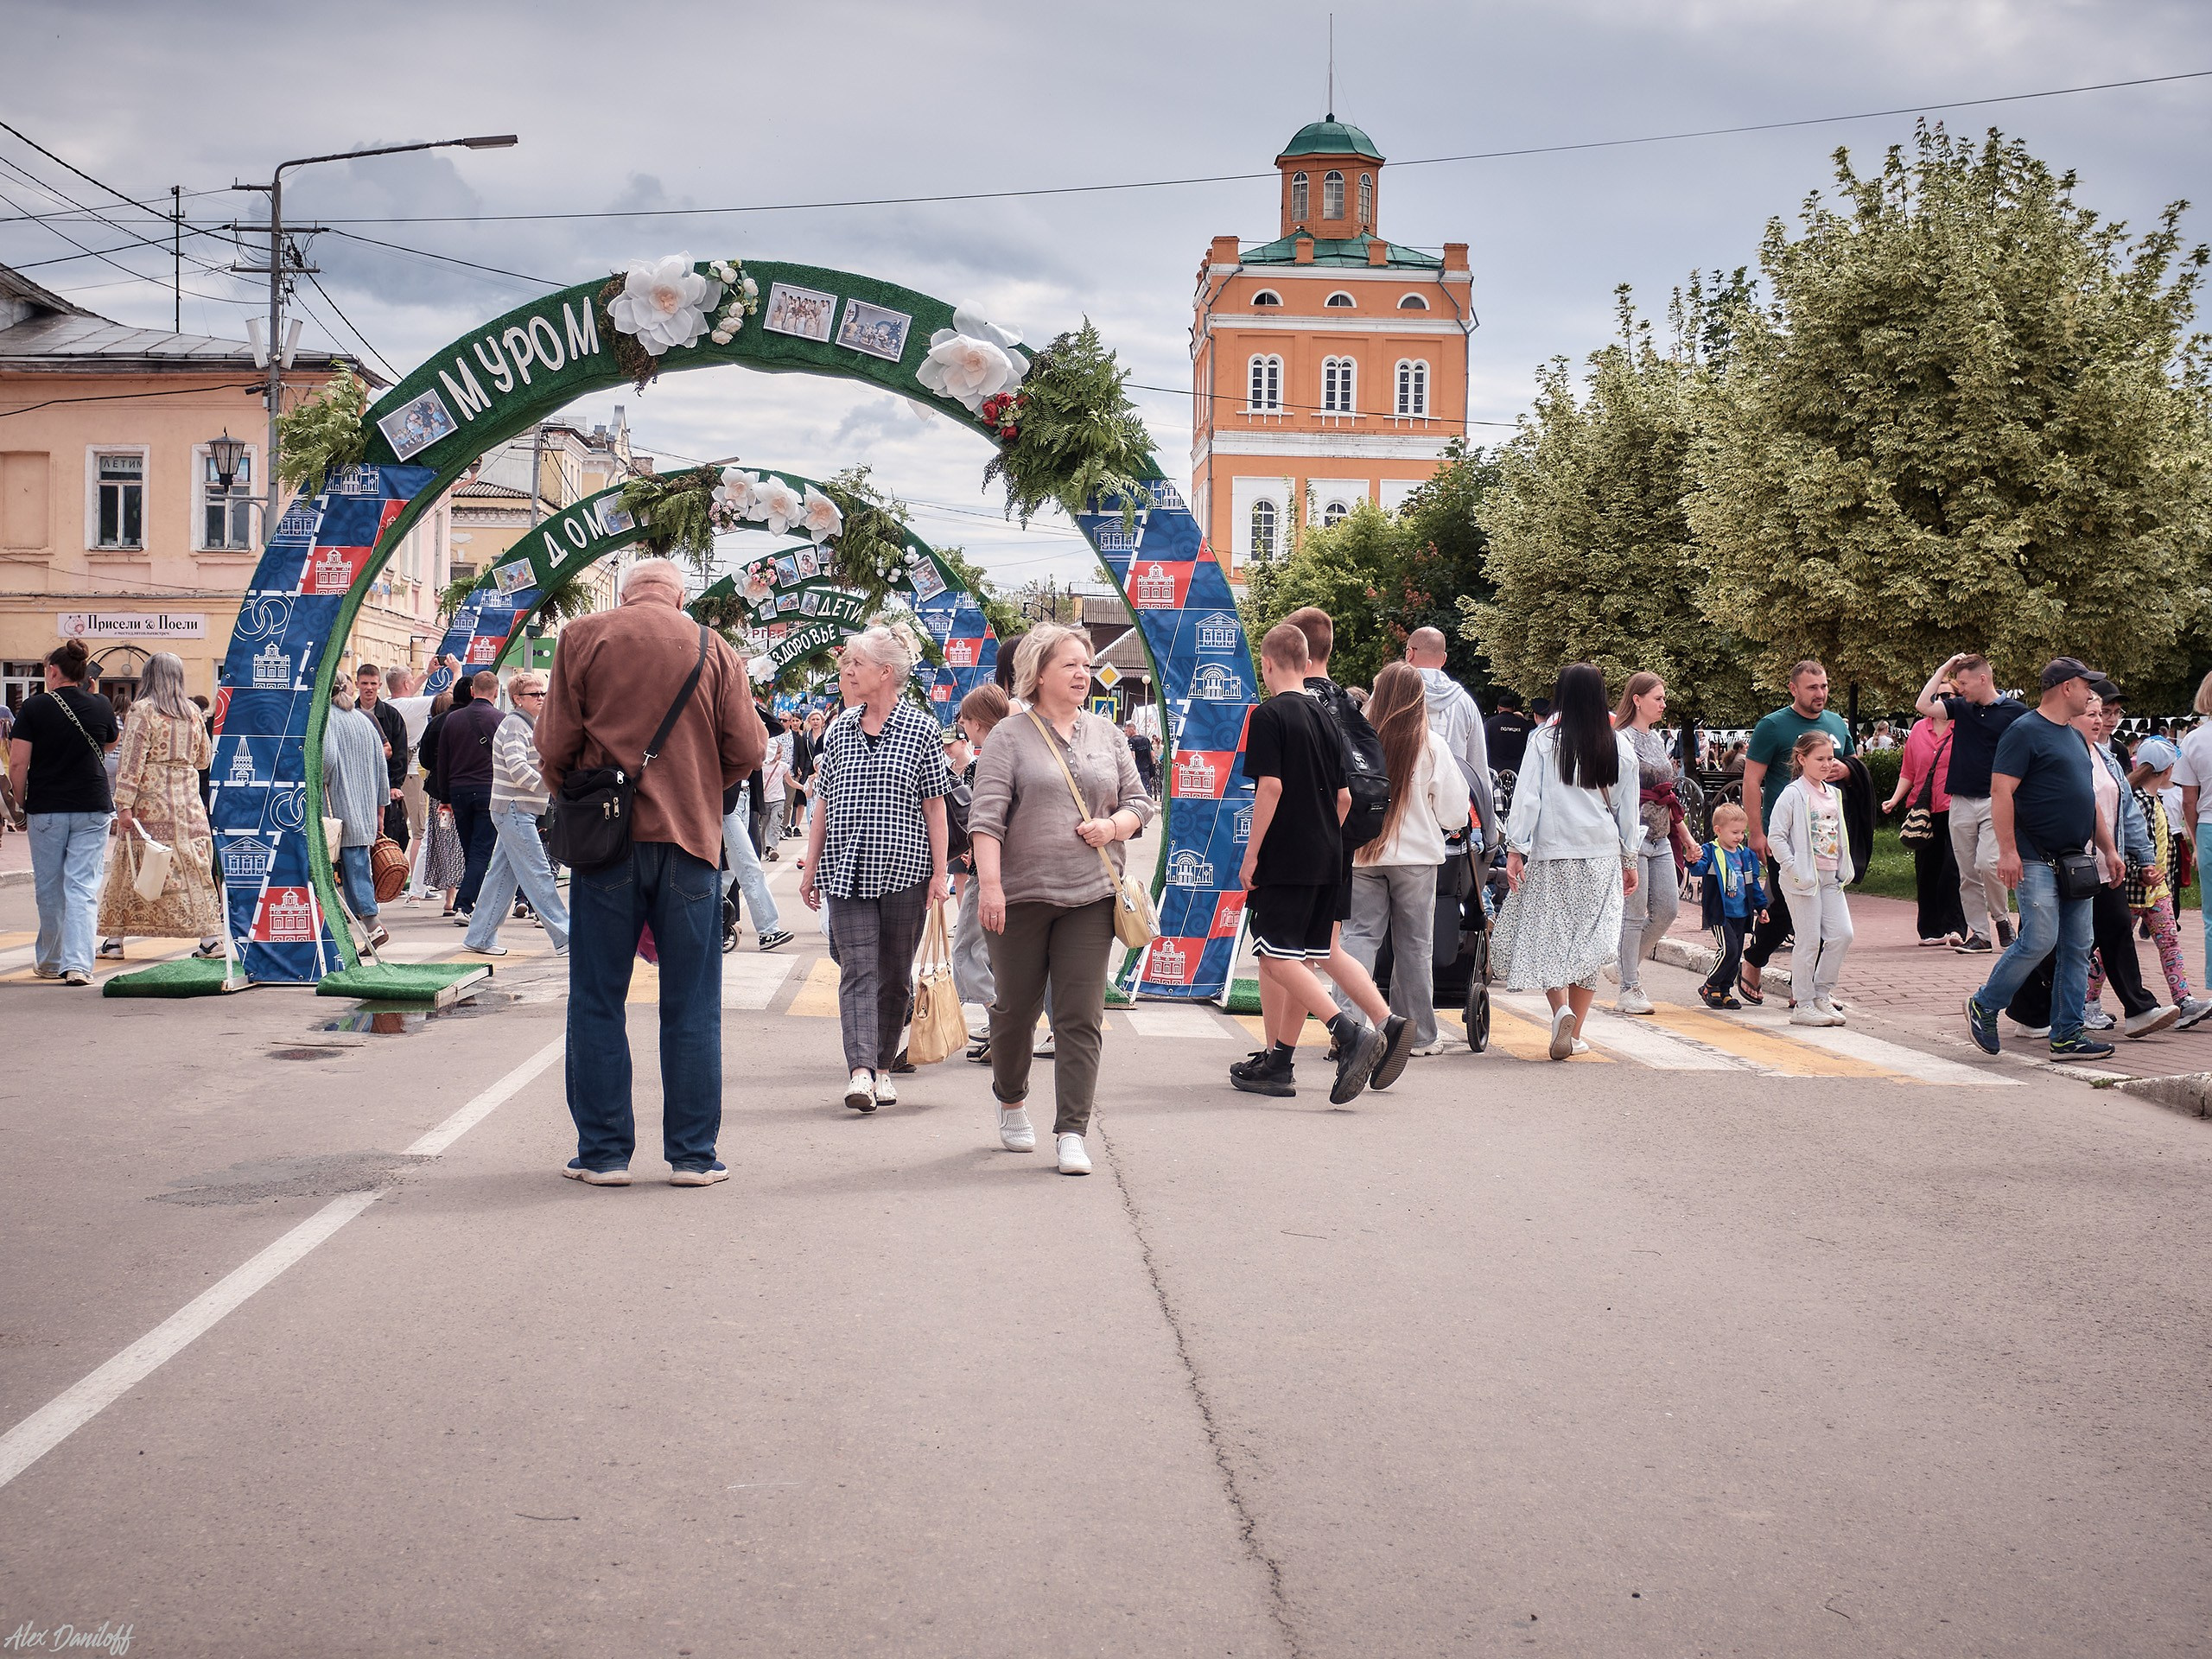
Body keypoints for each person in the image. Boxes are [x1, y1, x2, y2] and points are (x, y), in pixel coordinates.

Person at [537, 556, 765, 1187]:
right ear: (679, 596)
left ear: (626, 592)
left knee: (597, 999)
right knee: (692, 1004)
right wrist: (693, 787)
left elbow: (551, 744)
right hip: (689, 845)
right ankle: (693, 1156)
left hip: (607, 845)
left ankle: (604, 1154)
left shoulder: (584, 636)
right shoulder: (711, 646)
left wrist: (582, 797)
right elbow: (748, 750)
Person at [969, 624, 1154, 1174]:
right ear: (1039, 672)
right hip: (1020, 896)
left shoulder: (1108, 735)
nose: (1083, 673)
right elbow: (986, 819)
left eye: (1087, 663)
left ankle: (1072, 1130)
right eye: (1071, 664)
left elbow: (1140, 803)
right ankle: (1011, 1100)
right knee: (1014, 1013)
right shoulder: (1008, 735)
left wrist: (1114, 826)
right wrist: (993, 886)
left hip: (1091, 896)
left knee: (1080, 1016)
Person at [1228, 624, 1388, 1102]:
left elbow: (1270, 788)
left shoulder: (1270, 715)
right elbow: (1343, 797)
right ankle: (1278, 1064)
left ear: (1269, 664)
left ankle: (1350, 1032)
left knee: (1276, 953)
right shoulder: (1327, 716)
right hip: (1329, 854)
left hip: (1289, 853)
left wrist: (1253, 852)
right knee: (1303, 955)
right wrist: (1327, 840)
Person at [798, 622, 953, 1115]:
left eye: (855, 663)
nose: (846, 670)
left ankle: (884, 1067)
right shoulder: (839, 729)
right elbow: (823, 803)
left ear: (885, 672)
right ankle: (860, 1071)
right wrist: (810, 867)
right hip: (845, 870)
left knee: (893, 974)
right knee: (857, 970)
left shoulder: (923, 728)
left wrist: (938, 874)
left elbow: (935, 806)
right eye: (845, 663)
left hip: (906, 871)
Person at [1961, 659, 2119, 1061]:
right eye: (2087, 686)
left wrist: (2109, 849)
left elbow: (2089, 803)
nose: (2091, 694)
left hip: (2074, 861)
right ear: (2066, 687)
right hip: (2035, 859)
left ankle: (2067, 1035)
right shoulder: (2025, 731)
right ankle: (1985, 1002)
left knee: (2078, 947)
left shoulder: (2074, 737)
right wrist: (2009, 851)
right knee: (2039, 939)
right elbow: (2001, 793)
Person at [1287, 607, 1414, 1083]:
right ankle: (1387, 1019)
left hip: (1301, 842)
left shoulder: (1294, 703)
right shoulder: (1347, 703)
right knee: (1324, 945)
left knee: (1279, 952)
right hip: (1343, 843)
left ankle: (1280, 1055)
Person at [1491, 663, 1641, 1058]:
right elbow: (1628, 809)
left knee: (1550, 936)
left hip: (1553, 852)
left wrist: (1516, 847)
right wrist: (1630, 859)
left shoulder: (1543, 741)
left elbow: (1527, 798)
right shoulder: (1620, 744)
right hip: (1602, 854)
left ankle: (1560, 1013)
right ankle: (1575, 1033)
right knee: (1588, 942)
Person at [1338, 661, 1471, 1058]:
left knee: (1359, 937)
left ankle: (1349, 1027)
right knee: (1414, 946)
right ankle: (1417, 1035)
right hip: (1416, 859)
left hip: (1363, 854)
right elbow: (1455, 813)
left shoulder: (1357, 742)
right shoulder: (1431, 745)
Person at [92, 652, 221, 960]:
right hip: (188, 805)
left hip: (150, 805)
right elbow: (204, 759)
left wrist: (123, 803)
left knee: (133, 869)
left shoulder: (142, 710)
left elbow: (132, 760)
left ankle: (114, 941)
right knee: (194, 870)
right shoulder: (192, 712)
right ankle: (210, 940)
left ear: (148, 676)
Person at [1738, 661, 1853, 1006]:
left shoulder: (1836, 723)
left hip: (1826, 839)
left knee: (1824, 920)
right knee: (1789, 911)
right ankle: (1755, 960)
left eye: (1825, 686)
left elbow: (1851, 765)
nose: (1820, 693)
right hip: (1786, 838)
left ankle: (1807, 992)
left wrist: (1845, 767)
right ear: (1793, 689)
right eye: (1812, 687)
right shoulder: (1772, 726)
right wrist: (1756, 832)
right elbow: (1751, 781)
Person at [10, 640, 117, 984]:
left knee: (50, 887)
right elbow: (109, 742)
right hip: (92, 806)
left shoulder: (34, 708)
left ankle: (52, 960)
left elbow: (17, 762)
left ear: (53, 672)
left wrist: (19, 804)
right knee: (83, 887)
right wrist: (93, 695)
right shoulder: (100, 705)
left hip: (48, 808)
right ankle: (79, 966)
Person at [1916, 652, 2027, 954]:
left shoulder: (2016, 712)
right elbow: (1923, 705)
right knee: (1966, 872)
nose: (1959, 688)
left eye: (1963, 682)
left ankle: (2002, 919)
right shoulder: (1961, 708)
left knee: (1989, 864)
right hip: (1961, 799)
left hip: (1997, 799)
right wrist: (1944, 668)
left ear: (1983, 678)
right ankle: (1980, 934)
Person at [2102, 738, 2212, 1029]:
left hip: (2157, 891)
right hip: (2135, 890)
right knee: (2110, 946)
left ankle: (2184, 1000)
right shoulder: (2138, 802)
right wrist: (2141, 869)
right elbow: (2132, 843)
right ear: (2167, 771)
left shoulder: (2154, 800)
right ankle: (2088, 1001)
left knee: (2170, 943)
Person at [461, 670, 569, 958]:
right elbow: (517, 767)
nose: (542, 698)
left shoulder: (527, 725)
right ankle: (566, 937)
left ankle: (480, 936)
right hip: (513, 808)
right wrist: (551, 787)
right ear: (517, 699)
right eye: (535, 694)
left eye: (543, 693)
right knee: (537, 872)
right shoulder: (514, 726)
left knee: (501, 876)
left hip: (515, 809)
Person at [1766, 732, 1855, 1025]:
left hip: (1831, 877)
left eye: (1830, 758)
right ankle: (1803, 1004)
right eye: (1820, 759)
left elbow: (1839, 833)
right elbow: (1776, 835)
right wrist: (1791, 867)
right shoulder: (1793, 794)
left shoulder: (1834, 793)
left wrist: (1844, 866)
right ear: (1802, 759)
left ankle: (1821, 994)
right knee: (1808, 941)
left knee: (1842, 934)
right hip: (1802, 879)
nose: (1827, 764)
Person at [1610, 671, 1683, 1016]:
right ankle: (1629, 987)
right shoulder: (1620, 739)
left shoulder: (1656, 739)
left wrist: (1685, 835)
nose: (1663, 703)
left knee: (1668, 909)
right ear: (1637, 699)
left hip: (1661, 834)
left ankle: (1624, 965)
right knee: (1634, 915)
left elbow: (1668, 794)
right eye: (1658, 697)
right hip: (1633, 835)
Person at [950, 683, 1011, 1052]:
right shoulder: (1018, 749)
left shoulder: (987, 760)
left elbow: (983, 815)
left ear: (976, 722)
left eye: (965, 719)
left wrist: (973, 846)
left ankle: (1002, 1024)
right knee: (990, 954)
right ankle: (1002, 1026)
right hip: (1011, 869)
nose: (962, 725)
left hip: (986, 872)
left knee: (967, 951)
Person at [1883, 694, 1969, 946]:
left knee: (1953, 870)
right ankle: (1931, 929)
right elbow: (1908, 771)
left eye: (1949, 695)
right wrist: (1895, 799)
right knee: (1926, 870)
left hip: (1956, 805)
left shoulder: (1965, 727)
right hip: (1924, 809)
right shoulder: (1919, 729)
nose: (1943, 699)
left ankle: (1956, 927)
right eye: (1938, 695)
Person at [1405, 625, 1499, 844]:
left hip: (1405, 820)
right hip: (1453, 822)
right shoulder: (1465, 703)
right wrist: (1488, 828)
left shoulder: (1392, 696)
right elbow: (1478, 771)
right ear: (1444, 658)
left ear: (1409, 653)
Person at [321, 682, 390, 950]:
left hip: (338, 806)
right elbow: (381, 765)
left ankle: (368, 925)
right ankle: (370, 928)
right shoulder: (363, 719)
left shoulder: (327, 719)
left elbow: (326, 760)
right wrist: (380, 807)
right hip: (364, 808)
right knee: (356, 869)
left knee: (341, 869)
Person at [435, 671, 506, 922]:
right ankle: (465, 905)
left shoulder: (452, 720)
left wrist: (445, 798)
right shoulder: (501, 720)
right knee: (480, 851)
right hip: (489, 791)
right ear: (496, 693)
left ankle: (469, 900)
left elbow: (442, 762)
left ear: (473, 691)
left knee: (470, 850)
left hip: (459, 792)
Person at [1686, 802, 1767, 1009]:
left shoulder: (1746, 856)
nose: (1739, 837)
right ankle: (1710, 985)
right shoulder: (1711, 851)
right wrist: (1692, 860)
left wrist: (1761, 906)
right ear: (1718, 830)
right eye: (1734, 832)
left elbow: (1753, 884)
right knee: (1728, 949)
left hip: (1742, 912)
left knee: (1736, 952)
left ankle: (1724, 990)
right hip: (1720, 912)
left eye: (1742, 832)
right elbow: (1697, 869)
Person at [721, 737, 793, 954]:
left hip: (744, 797)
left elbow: (766, 747)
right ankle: (768, 929)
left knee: (730, 871)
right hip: (726, 803)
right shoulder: (723, 714)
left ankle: (707, 922)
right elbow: (760, 754)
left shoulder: (749, 714)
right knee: (749, 866)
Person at [2174, 671, 2212, 990]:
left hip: (2209, 826)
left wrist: (2195, 839)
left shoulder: (2194, 740)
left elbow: (2189, 801)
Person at [415, 690, 465, 912]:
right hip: (462, 791)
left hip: (438, 795)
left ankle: (448, 894)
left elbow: (424, 759)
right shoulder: (463, 721)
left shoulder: (434, 725)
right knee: (459, 840)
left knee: (443, 837)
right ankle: (453, 895)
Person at [355, 662, 409, 849]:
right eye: (364, 683)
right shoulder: (349, 713)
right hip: (356, 785)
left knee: (385, 835)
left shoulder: (392, 716)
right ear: (357, 684)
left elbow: (400, 753)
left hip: (383, 785)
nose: (369, 688)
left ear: (379, 685)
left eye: (373, 683)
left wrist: (395, 785)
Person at [1483, 688, 1535, 779]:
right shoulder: (1524, 725)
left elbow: (1483, 744)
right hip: (1519, 772)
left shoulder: (1490, 724)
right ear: (1513, 708)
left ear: (1498, 707)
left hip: (1495, 773)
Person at [1124, 720, 1158, 797]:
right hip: (1147, 770)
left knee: (1137, 792)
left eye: (1127, 731)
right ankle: (1149, 806)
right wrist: (1152, 767)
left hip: (1137, 770)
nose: (1125, 733)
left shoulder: (1131, 741)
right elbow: (1152, 754)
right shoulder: (1146, 739)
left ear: (1132, 730)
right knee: (1147, 790)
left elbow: (1133, 756)